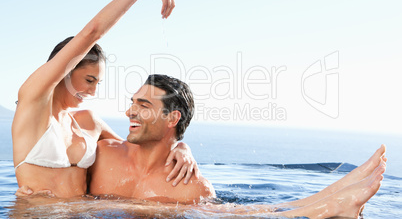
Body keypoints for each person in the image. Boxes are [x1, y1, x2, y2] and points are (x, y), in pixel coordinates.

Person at [87, 74, 386, 218]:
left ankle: (328, 201)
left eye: (143, 105)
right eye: (131, 103)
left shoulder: (192, 187)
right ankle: (326, 203)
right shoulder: (100, 155)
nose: (129, 112)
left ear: (171, 118)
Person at [12, 0, 199, 198]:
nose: (93, 92)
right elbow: (92, 33)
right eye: (89, 80)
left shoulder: (88, 123)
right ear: (67, 70)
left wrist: (181, 148)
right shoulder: (31, 104)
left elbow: (139, 150)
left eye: (97, 84)